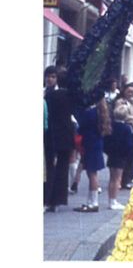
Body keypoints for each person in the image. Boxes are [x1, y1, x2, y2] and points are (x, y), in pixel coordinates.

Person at [106, 82, 133, 207]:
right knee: (116, 176)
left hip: (116, 148)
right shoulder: (121, 103)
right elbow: (123, 113)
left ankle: (113, 197)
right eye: (129, 91)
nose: (131, 93)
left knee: (114, 175)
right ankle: (113, 199)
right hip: (122, 145)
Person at [43, 66, 75, 211]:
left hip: (55, 135)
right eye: (48, 76)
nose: (49, 79)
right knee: (55, 168)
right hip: (60, 135)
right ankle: (53, 200)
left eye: (53, 77)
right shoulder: (48, 93)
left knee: (54, 168)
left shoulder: (55, 95)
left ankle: (52, 200)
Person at [73, 96, 111, 213]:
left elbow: (82, 127)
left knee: (92, 174)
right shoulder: (101, 112)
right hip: (96, 143)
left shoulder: (90, 113)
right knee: (92, 173)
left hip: (90, 144)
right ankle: (91, 201)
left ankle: (93, 202)